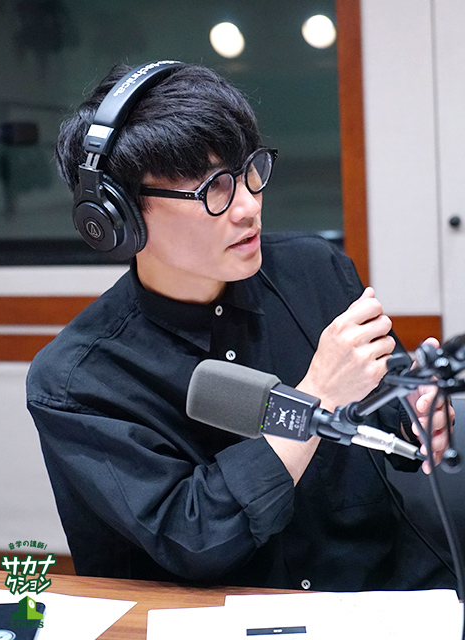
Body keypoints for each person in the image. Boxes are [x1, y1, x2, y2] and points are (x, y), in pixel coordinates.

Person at [27, 61, 454, 591]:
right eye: (215, 188)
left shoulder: (314, 269)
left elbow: (387, 405)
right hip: (209, 616)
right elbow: (193, 536)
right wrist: (313, 400)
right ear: (120, 217)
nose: (249, 206)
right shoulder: (76, 381)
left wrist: (417, 417)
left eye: (250, 171)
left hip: (374, 595)